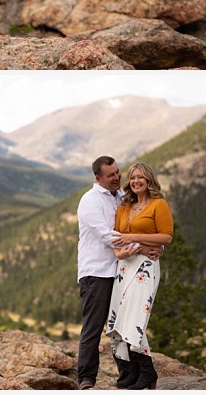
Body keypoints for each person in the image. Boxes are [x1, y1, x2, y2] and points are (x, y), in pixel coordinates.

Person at [76, 156, 161, 390]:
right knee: (94, 326)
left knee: (122, 324)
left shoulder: (122, 198)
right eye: (111, 175)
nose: (117, 177)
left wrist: (156, 246)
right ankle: (86, 378)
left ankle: (128, 374)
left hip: (124, 270)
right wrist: (144, 247)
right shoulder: (90, 201)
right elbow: (108, 235)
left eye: (117, 172)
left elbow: (138, 227)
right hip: (97, 271)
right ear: (98, 178)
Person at [105, 162, 174, 390]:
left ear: (149, 180)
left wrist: (137, 241)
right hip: (125, 266)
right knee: (119, 317)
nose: (136, 181)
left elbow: (166, 237)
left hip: (146, 267)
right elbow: (117, 237)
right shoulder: (124, 206)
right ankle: (130, 370)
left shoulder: (158, 204)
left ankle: (147, 372)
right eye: (133, 177)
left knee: (135, 319)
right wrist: (128, 246)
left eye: (140, 178)